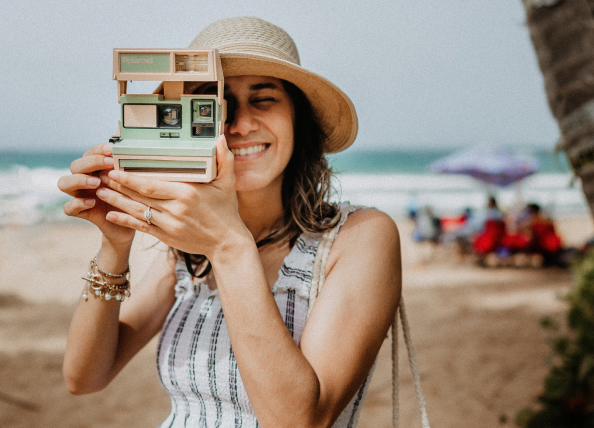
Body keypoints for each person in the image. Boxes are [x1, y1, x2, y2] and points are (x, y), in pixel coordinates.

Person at [58, 17, 402, 427]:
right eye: (215, 105)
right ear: (184, 126)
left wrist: (228, 246)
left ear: (298, 120)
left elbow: (302, 421)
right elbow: (84, 377)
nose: (239, 125)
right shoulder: (185, 253)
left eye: (264, 99)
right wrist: (115, 245)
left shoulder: (359, 237)